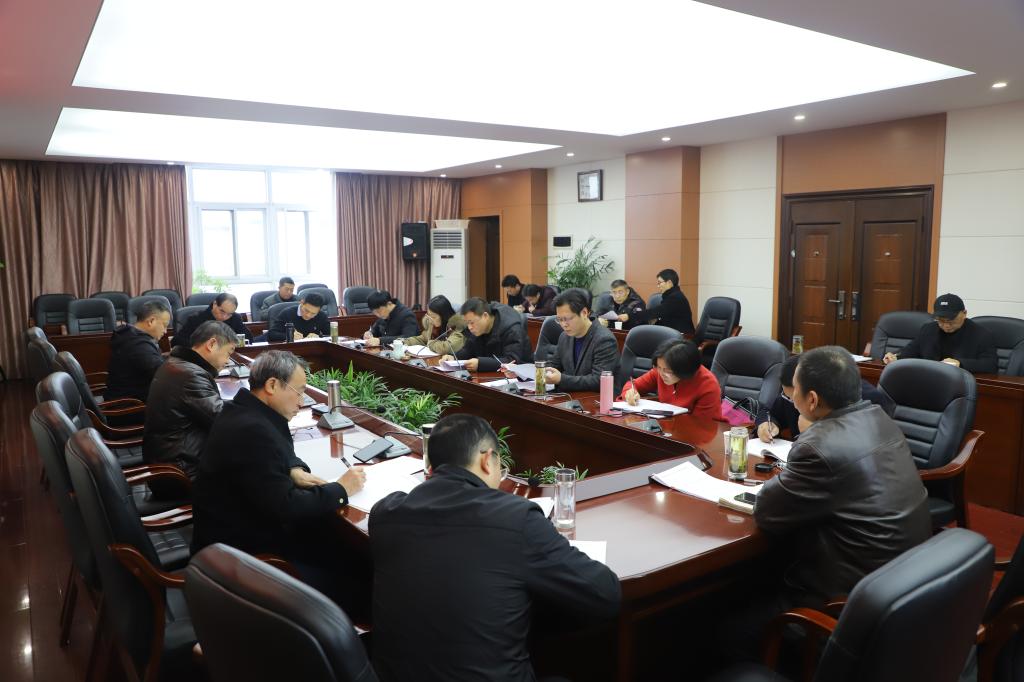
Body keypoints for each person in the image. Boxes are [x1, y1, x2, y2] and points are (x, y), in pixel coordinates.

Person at [369, 414, 620, 682]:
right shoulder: (517, 519)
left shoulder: (385, 514)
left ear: (431, 466)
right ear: (487, 460)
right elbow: (605, 594)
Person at [750, 346, 930, 628]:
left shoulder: (819, 445)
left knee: (727, 627)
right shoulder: (878, 417)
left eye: (794, 390)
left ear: (812, 399)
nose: (789, 397)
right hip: (904, 582)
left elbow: (767, 512)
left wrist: (809, 434)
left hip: (848, 601)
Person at [192, 350, 368, 611]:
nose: (302, 401)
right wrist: (341, 489)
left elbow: (278, 452)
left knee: (337, 543)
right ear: (272, 385)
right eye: (299, 392)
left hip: (239, 539)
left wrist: (293, 468)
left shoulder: (246, 411)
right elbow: (285, 506)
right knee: (362, 575)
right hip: (246, 560)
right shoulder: (252, 430)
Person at [143, 321, 237, 497]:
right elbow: (224, 421)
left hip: (170, 463)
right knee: (255, 472)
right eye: (228, 353)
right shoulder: (190, 375)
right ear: (212, 344)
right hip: (181, 473)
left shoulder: (176, 364)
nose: (227, 361)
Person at [755, 354, 896, 442]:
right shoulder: (790, 394)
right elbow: (767, 411)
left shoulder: (867, 400)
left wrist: (819, 434)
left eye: (794, 398)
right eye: (788, 396)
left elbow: (872, 448)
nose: (792, 403)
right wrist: (766, 424)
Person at [883, 293, 998, 374]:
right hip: (930, 381)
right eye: (941, 321)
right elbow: (911, 351)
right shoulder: (928, 329)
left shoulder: (981, 334)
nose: (946, 325)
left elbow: (990, 365)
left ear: (964, 313)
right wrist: (896, 357)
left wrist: (960, 363)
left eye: (951, 320)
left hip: (962, 386)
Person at [618, 339, 721, 420]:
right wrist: (629, 393)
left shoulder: (707, 384)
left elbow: (701, 424)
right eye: (658, 367)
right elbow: (633, 384)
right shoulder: (660, 371)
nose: (662, 374)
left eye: (669, 371)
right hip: (666, 426)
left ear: (685, 369)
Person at [542, 288, 619, 392]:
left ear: (584, 313)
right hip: (570, 396)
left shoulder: (604, 339)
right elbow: (554, 364)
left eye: (568, 319)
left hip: (595, 398)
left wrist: (561, 379)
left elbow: (598, 380)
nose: (564, 324)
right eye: (559, 320)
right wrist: (546, 371)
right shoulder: (564, 337)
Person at [104, 298, 171, 403]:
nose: (165, 331)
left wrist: (168, 357)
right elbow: (164, 374)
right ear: (151, 321)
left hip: (123, 399)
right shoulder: (139, 345)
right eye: (164, 325)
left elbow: (149, 361)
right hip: (131, 407)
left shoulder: (128, 334)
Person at [440, 298, 534, 372]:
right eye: (467, 323)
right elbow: (468, 349)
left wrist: (481, 364)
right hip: (491, 376)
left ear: (485, 316)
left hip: (520, 378)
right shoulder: (478, 329)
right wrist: (453, 357)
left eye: (472, 322)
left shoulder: (511, 329)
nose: (469, 327)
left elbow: (512, 360)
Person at [622, 269, 694, 335]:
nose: (658, 286)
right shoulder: (673, 295)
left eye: (659, 283)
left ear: (669, 283)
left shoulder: (675, 298)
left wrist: (629, 316)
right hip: (672, 333)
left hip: (682, 337)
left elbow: (654, 312)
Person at [172, 293, 252, 348]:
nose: (224, 317)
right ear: (214, 304)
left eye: (229, 314)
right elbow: (176, 341)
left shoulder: (235, 318)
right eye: (222, 311)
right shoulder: (196, 319)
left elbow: (248, 338)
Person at [402, 294, 467, 355]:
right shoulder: (434, 325)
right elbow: (424, 339)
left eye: (433, 317)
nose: (430, 320)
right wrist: (404, 342)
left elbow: (447, 347)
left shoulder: (457, 326)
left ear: (443, 316)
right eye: (429, 315)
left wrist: (431, 344)